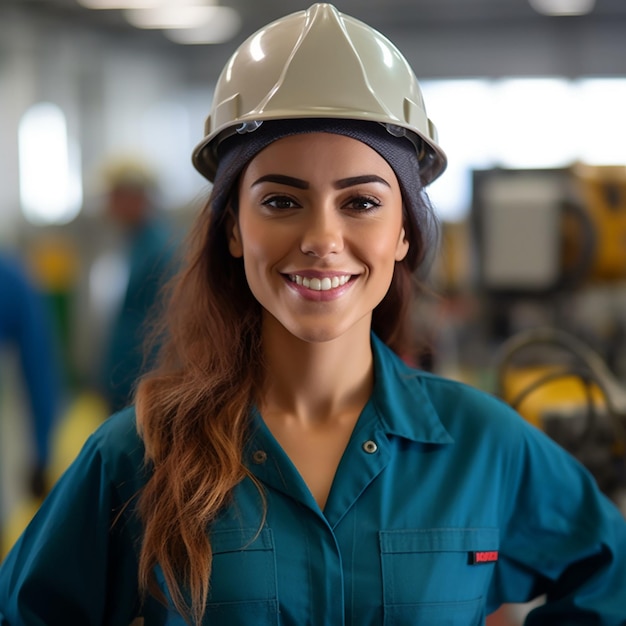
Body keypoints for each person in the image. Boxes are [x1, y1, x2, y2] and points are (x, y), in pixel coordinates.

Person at [1, 4, 625, 625]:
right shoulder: (142, 455)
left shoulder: (485, 446)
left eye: (360, 202)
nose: (322, 238)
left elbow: (611, 580)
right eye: (280, 200)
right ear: (234, 230)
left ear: (403, 232)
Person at [98, 156, 178, 413]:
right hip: (123, 379)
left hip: (141, 383)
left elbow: (164, 326)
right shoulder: (131, 244)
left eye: (113, 196)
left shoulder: (159, 250)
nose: (108, 205)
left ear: (133, 197)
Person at [0, 252, 61, 505]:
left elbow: (38, 368)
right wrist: (42, 454)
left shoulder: (10, 281)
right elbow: (39, 370)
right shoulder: (10, 278)